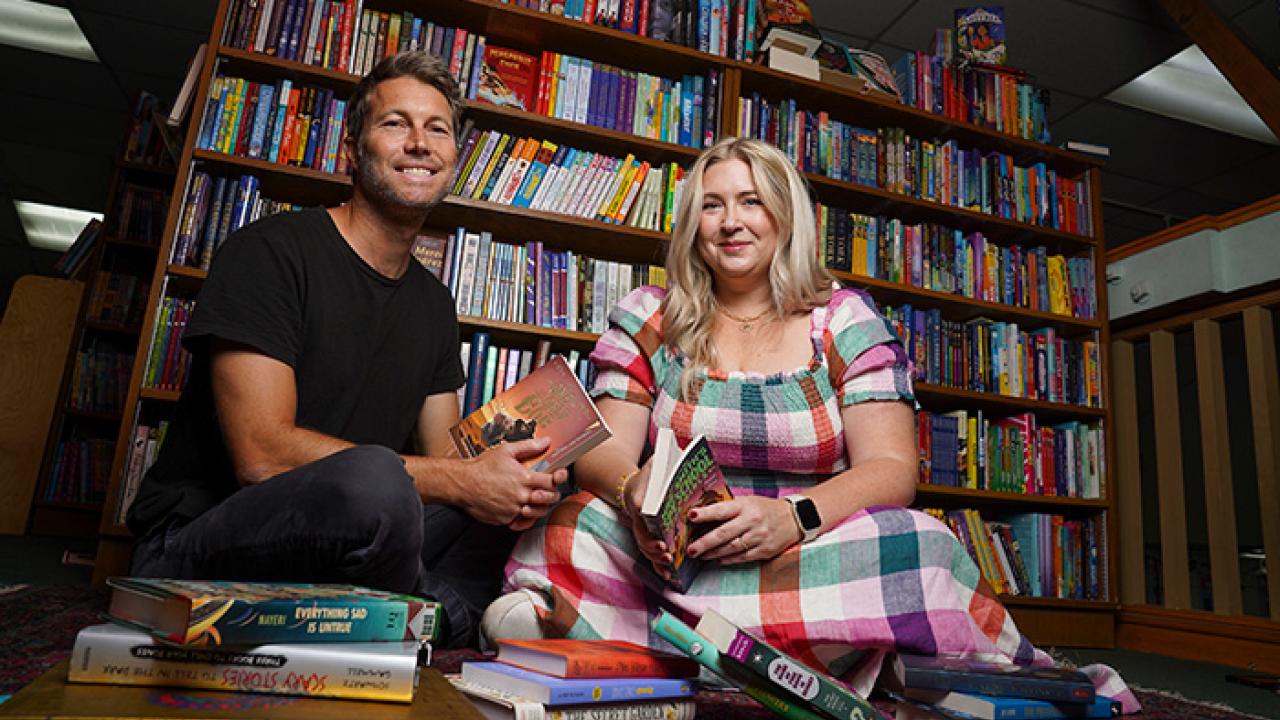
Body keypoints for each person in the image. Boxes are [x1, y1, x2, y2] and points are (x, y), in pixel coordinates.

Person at [486, 137, 1138, 710]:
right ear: (691, 225)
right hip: (675, 562)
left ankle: (636, 640)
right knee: (574, 518)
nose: (731, 222)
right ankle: (788, 655)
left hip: (810, 551)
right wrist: (636, 501)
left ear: (785, 216)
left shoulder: (843, 319)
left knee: (918, 541)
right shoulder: (650, 315)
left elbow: (892, 470)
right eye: (712, 205)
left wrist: (790, 518)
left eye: (751, 202)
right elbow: (605, 448)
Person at [125, 51, 567, 649]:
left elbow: (447, 464)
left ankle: (393, 605)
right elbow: (260, 455)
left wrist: (514, 480)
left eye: (438, 129)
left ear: (454, 161)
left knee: (526, 495)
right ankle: (432, 616)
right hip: (207, 541)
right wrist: (455, 482)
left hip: (354, 541)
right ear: (350, 152)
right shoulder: (269, 254)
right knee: (375, 479)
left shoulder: (434, 305)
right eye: (394, 124)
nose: (419, 143)